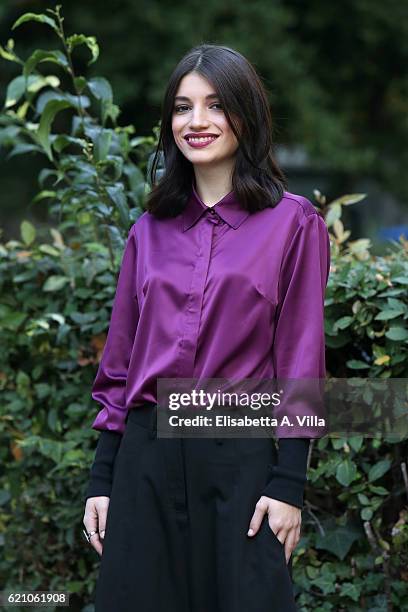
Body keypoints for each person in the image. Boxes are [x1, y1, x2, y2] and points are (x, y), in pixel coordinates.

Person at [82, 43, 331, 612]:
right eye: (182, 107)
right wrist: (102, 479)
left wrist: (287, 484)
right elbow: (120, 365)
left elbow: (301, 360)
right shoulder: (149, 230)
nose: (196, 122)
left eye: (215, 105)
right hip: (143, 460)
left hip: (237, 457)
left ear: (247, 114)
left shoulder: (294, 225)